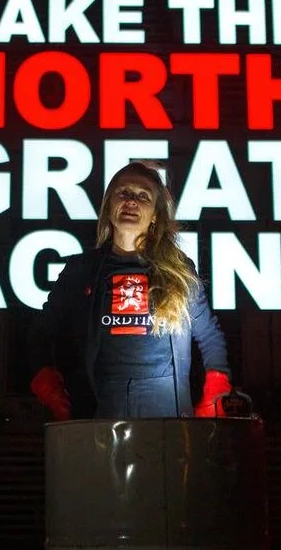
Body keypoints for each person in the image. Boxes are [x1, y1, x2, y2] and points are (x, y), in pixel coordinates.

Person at [27, 161, 233, 420]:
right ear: (109, 206)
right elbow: (41, 334)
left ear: (156, 214)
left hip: (166, 418)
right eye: (123, 193)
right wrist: (50, 388)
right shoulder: (80, 271)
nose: (132, 201)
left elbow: (210, 337)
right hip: (97, 418)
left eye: (143, 195)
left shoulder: (179, 270)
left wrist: (215, 390)